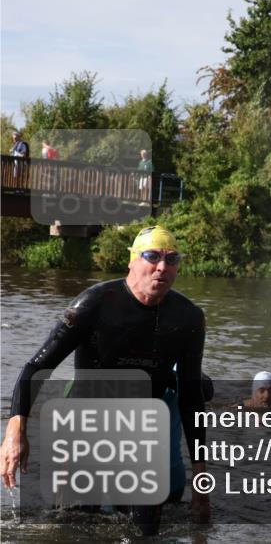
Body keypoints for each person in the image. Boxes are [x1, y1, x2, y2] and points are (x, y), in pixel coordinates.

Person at [0, 225, 210, 533]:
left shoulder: (188, 317)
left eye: (172, 259)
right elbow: (36, 367)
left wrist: (201, 477)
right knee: (73, 528)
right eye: (152, 256)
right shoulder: (95, 303)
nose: (162, 267)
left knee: (144, 533)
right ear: (132, 261)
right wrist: (16, 431)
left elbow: (191, 397)